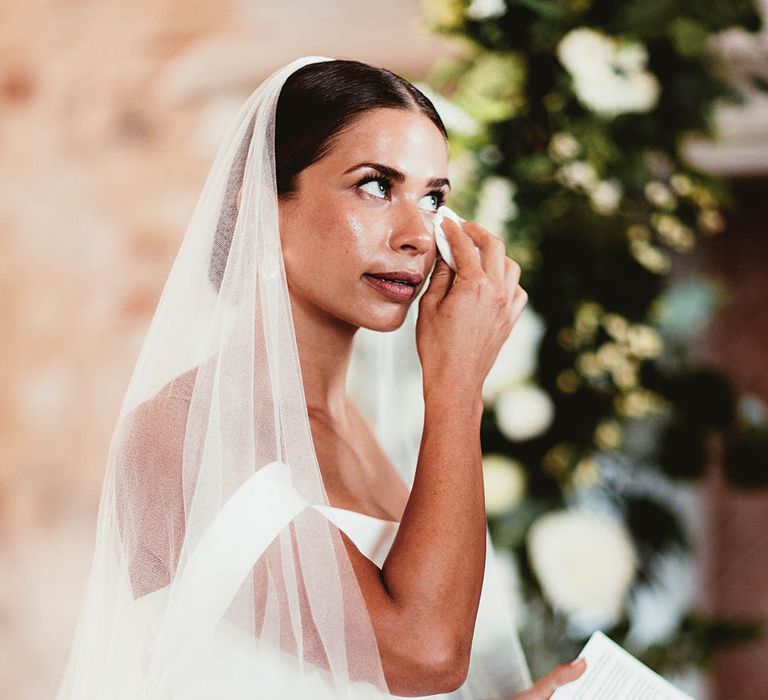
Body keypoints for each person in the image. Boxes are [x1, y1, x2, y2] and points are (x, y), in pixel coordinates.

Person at [54, 55, 586, 700]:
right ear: (263, 206)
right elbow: (425, 656)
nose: (419, 234)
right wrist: (458, 382)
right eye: (374, 185)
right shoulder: (186, 432)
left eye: (433, 198)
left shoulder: (364, 434)